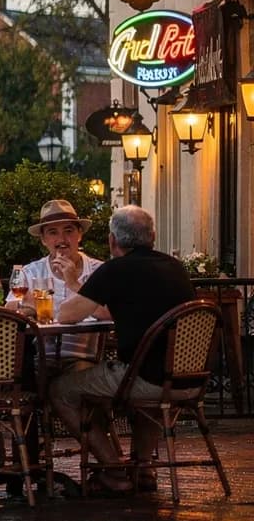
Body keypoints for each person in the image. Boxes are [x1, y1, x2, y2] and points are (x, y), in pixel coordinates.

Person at [51, 205, 195, 492]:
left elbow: (67, 316)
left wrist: (70, 282)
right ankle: (143, 469)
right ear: (152, 236)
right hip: (189, 379)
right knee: (148, 388)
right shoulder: (175, 268)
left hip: (144, 379)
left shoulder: (115, 270)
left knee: (60, 391)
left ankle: (112, 469)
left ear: (112, 241)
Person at [12, 200, 104, 369]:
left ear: (80, 234)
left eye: (68, 231)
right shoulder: (31, 272)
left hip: (82, 359)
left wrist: (74, 283)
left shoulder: (99, 271)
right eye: (53, 232)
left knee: (74, 378)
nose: (62, 239)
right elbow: (10, 309)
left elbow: (110, 313)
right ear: (43, 240)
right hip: (40, 359)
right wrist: (30, 309)